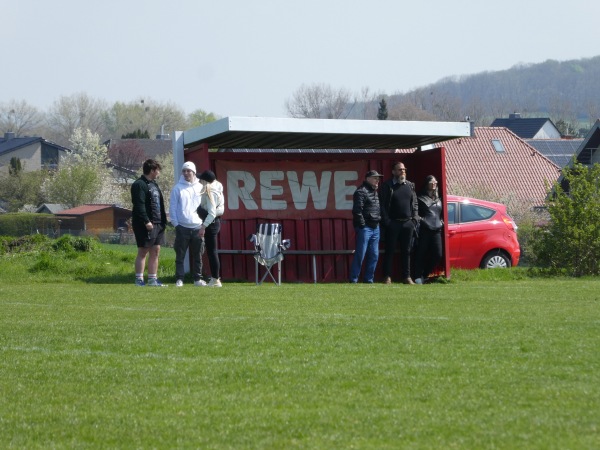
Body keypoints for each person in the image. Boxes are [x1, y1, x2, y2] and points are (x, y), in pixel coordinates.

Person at [380, 161, 419, 285]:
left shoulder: (410, 185)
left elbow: (415, 203)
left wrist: (414, 219)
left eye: (404, 169)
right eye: (400, 169)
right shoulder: (387, 186)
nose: (403, 171)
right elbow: (382, 205)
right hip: (393, 223)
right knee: (390, 250)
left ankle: (406, 277)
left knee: (406, 251)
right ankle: (387, 277)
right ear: (393, 172)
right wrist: (387, 221)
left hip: (408, 223)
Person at [130, 159, 167, 287]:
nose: (159, 173)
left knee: (156, 250)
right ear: (152, 170)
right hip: (145, 224)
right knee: (143, 251)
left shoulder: (154, 185)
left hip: (157, 223)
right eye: (158, 170)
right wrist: (146, 221)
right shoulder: (139, 184)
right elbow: (139, 205)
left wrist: (162, 222)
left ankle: (152, 279)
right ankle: (139, 279)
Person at [169, 161, 206, 287]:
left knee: (198, 255)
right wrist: (176, 224)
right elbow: (172, 207)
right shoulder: (177, 188)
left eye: (188, 171)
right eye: (184, 171)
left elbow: (205, 207)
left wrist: (203, 225)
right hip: (182, 227)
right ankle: (179, 279)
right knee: (180, 255)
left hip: (197, 227)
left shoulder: (201, 188)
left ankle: (197, 279)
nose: (186, 173)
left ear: (194, 172)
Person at [349, 170, 384, 283]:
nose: (377, 181)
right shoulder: (361, 192)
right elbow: (357, 211)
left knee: (374, 255)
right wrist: (363, 225)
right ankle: (354, 279)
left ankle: (369, 279)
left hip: (375, 227)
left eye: (378, 179)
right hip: (365, 228)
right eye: (375, 178)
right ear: (367, 179)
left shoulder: (375, 192)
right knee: (361, 254)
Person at [413, 175, 444, 284]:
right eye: (431, 182)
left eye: (435, 182)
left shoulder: (439, 198)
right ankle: (417, 276)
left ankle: (425, 274)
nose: (434, 184)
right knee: (421, 252)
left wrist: (442, 221)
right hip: (425, 229)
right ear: (427, 184)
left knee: (438, 254)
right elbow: (415, 212)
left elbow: (441, 213)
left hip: (437, 230)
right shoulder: (420, 197)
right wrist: (422, 220)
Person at [197, 170, 225, 288]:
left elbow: (212, 212)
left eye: (201, 179)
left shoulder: (210, 190)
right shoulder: (217, 186)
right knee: (211, 252)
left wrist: (204, 226)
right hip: (213, 222)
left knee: (212, 252)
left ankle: (215, 279)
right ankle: (215, 278)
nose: (199, 181)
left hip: (211, 223)